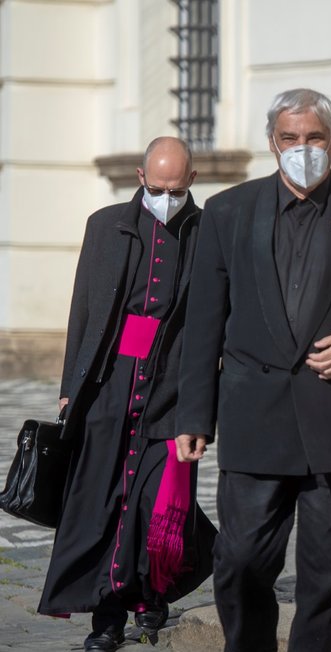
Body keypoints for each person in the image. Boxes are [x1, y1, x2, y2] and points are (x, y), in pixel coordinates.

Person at [175, 88, 331, 652]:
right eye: (290, 138)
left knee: (330, 579)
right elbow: (204, 320)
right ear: (272, 143)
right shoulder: (228, 211)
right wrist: (194, 413)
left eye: (314, 137)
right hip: (253, 420)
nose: (303, 148)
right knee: (238, 563)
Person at [38, 137, 216, 652]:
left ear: (192, 180)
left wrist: (204, 408)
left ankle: (153, 594)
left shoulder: (209, 232)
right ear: (141, 177)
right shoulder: (106, 224)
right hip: (110, 383)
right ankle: (108, 618)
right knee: (105, 501)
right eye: (158, 188)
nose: (167, 197)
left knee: (161, 505)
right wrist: (71, 387)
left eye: (177, 189)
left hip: (175, 387)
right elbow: (84, 310)